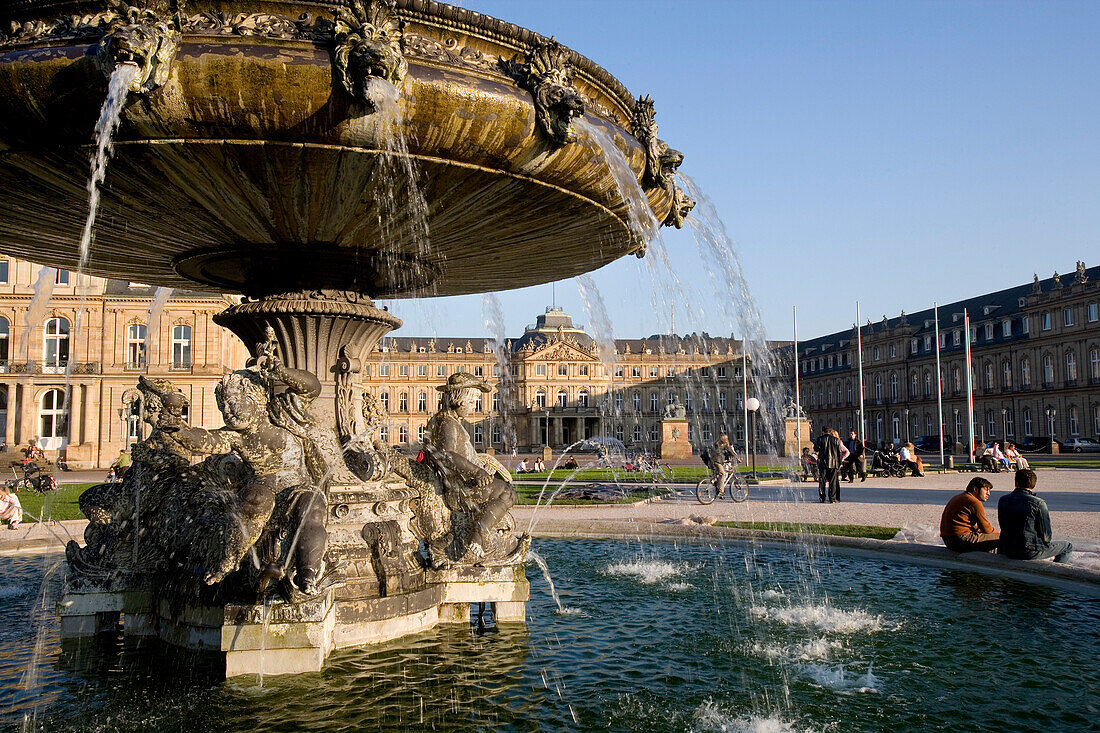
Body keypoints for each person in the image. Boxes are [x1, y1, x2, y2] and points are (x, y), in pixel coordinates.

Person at [997, 469, 1073, 563]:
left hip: (1007, 548)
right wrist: (1044, 545)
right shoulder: (1038, 503)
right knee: (1067, 546)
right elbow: (1046, 534)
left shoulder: (1003, 500)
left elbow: (1003, 524)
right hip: (1028, 550)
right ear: (1033, 484)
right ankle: (1057, 572)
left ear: (1016, 482)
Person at [939, 477, 999, 553]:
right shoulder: (974, 502)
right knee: (1002, 538)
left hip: (948, 540)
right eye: (986, 490)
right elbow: (986, 528)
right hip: (960, 539)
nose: (988, 493)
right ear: (975, 489)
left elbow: (966, 523)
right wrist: (998, 533)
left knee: (988, 539)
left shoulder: (959, 497)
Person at [814, 426, 843, 503]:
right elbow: (839, 453)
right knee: (832, 481)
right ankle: (832, 498)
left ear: (823, 431)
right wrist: (839, 462)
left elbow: (816, 449)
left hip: (823, 462)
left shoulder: (819, 439)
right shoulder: (836, 440)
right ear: (830, 432)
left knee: (822, 480)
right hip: (833, 462)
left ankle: (822, 497)